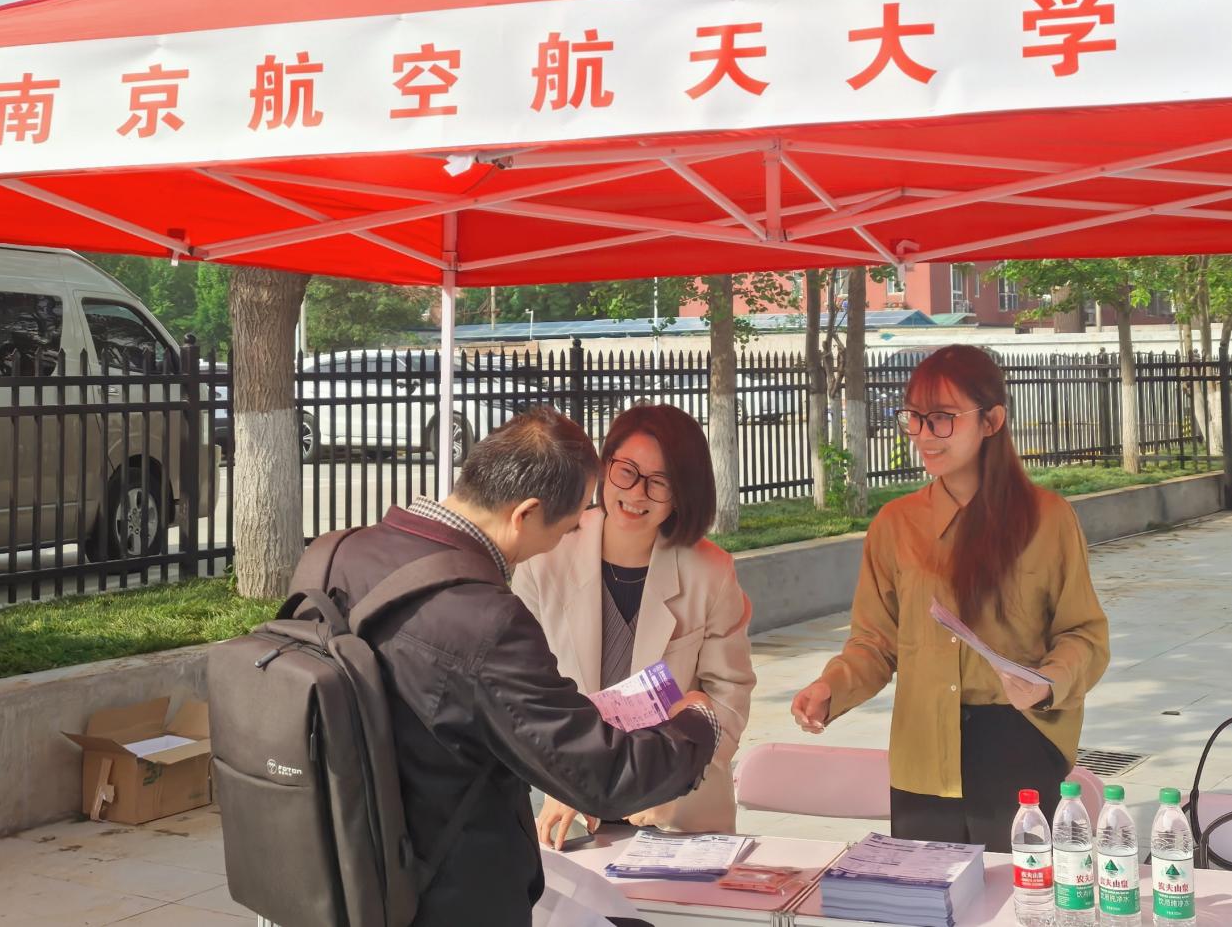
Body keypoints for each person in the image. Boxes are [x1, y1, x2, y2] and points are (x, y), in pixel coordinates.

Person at [322, 407, 720, 927]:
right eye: (568, 525)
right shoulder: (487, 619)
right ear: (526, 514)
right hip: (449, 892)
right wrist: (697, 723)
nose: (566, 539)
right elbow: (600, 774)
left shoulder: (333, 554)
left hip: (342, 871)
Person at [790, 345, 1109, 851]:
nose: (923, 434)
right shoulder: (895, 525)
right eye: (914, 418)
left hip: (1018, 742)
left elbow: (1084, 634)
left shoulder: (1048, 520)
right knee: (925, 888)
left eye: (941, 418)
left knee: (1021, 891)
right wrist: (833, 687)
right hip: (922, 748)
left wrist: (1048, 682)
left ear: (991, 421)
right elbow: (875, 642)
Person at [514, 404, 755, 846]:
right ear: (605, 468)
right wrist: (567, 778)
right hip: (566, 812)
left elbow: (729, 696)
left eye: (659, 482)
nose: (637, 493)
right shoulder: (546, 556)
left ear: (683, 492)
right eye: (626, 471)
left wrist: (669, 778)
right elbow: (523, 691)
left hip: (677, 812)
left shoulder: (711, 572)